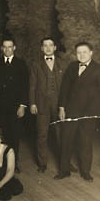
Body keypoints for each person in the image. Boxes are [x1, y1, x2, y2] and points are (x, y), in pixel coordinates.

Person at [55, 42, 100, 181]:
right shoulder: (72, 67)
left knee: (85, 142)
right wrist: (62, 108)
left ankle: (86, 172)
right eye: (79, 52)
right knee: (66, 140)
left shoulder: (98, 69)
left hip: (89, 114)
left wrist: (96, 112)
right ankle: (64, 170)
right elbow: (64, 88)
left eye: (84, 52)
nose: (81, 55)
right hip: (71, 111)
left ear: (91, 53)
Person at [0, 38, 29, 169]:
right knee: (2, 134)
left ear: (14, 48)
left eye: (10, 47)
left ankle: (13, 163)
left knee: (14, 135)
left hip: (15, 106)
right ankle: (2, 162)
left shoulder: (21, 64)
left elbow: (25, 86)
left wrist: (22, 106)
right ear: (2, 48)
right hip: (1, 106)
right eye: (5, 47)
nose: (7, 49)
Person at [29, 37, 65, 173]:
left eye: (51, 45)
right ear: (41, 48)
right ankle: (42, 163)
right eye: (45, 45)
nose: (48, 48)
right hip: (41, 104)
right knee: (42, 134)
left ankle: (65, 162)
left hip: (59, 103)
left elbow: (66, 86)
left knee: (61, 133)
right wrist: (32, 103)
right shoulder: (36, 64)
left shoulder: (62, 63)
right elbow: (32, 86)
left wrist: (64, 105)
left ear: (55, 47)